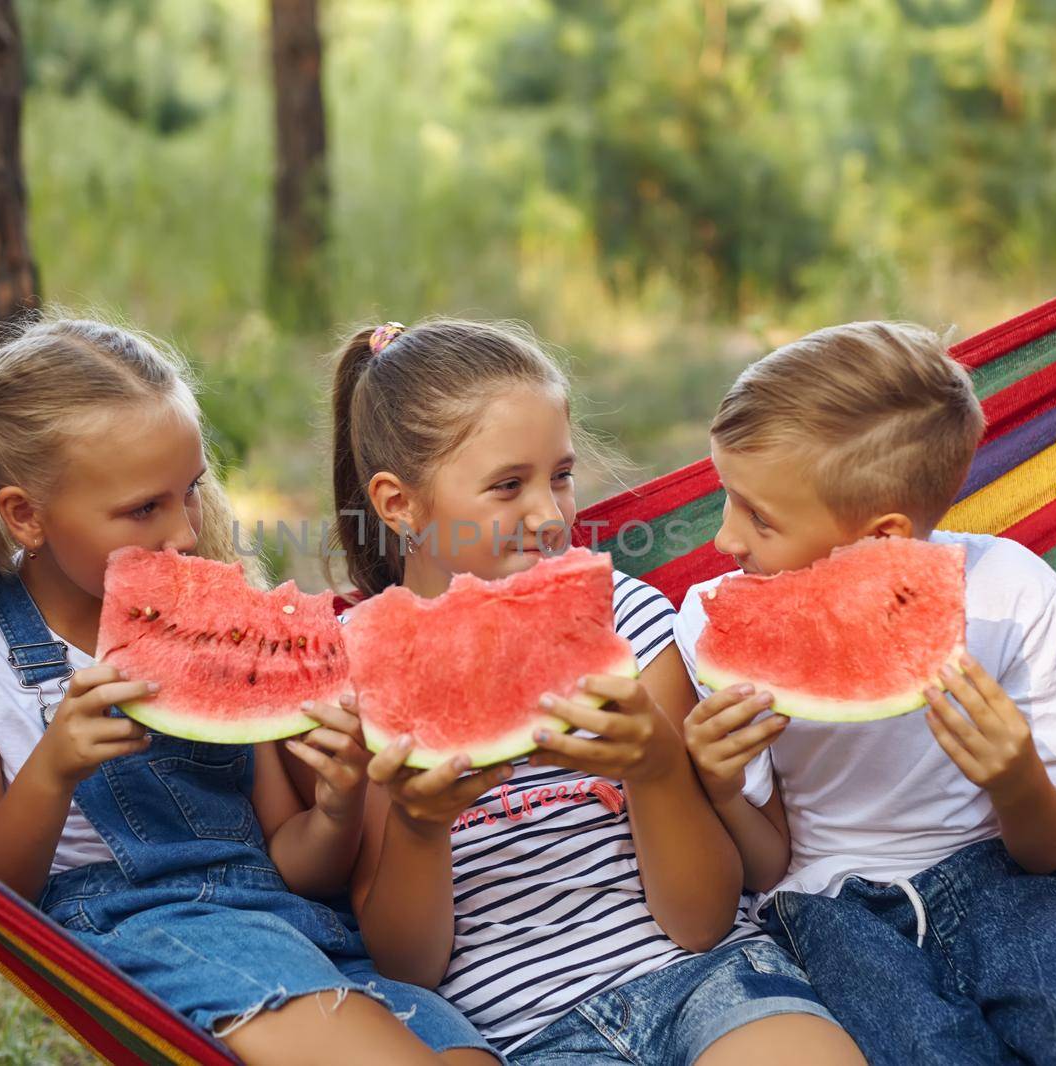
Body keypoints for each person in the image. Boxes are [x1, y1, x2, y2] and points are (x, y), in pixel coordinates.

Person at [0, 316, 497, 1064]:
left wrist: (337, 807)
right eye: (143, 509)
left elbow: (293, 863)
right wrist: (53, 768)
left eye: (190, 492)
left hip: (300, 926)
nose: (186, 534)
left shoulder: (214, 624)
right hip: (147, 931)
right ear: (25, 515)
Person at [331, 319, 863, 1065]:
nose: (550, 516)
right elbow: (408, 966)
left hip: (710, 979)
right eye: (508, 486)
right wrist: (420, 830)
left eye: (561, 475)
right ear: (397, 503)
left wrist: (655, 770)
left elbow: (703, 919)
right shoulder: (362, 673)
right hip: (527, 1035)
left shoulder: (633, 621)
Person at [673, 320, 1056, 1065]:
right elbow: (766, 868)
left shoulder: (1011, 590)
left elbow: (1047, 850)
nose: (725, 539)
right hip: (831, 907)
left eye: (757, 515)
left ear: (882, 538)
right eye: (725, 497)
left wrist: (1014, 779)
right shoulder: (711, 620)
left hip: (1014, 880)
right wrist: (722, 788)